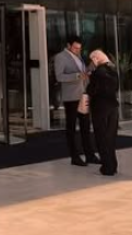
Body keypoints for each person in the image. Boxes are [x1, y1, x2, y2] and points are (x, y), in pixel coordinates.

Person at [54, 35, 100, 167]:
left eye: (79, 48)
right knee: (72, 127)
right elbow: (59, 76)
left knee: (86, 126)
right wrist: (78, 75)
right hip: (71, 98)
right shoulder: (60, 57)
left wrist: (90, 70)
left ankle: (89, 155)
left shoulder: (79, 56)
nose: (78, 50)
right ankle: (75, 156)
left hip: (83, 95)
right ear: (68, 45)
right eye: (75, 48)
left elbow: (83, 74)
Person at [87, 50, 120, 176]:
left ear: (96, 58)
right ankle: (113, 165)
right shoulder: (113, 70)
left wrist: (92, 70)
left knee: (101, 137)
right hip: (113, 107)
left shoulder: (98, 72)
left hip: (101, 108)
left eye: (92, 59)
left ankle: (107, 167)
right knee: (110, 138)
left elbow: (92, 89)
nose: (91, 61)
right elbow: (115, 88)